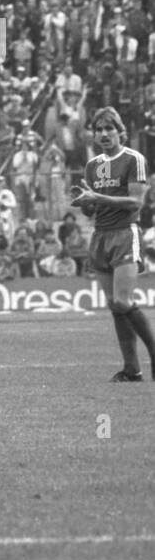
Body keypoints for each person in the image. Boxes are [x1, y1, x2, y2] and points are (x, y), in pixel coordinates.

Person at [70, 107, 155, 382]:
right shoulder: (92, 165)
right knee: (113, 304)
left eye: (109, 129)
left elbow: (136, 202)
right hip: (100, 235)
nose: (104, 134)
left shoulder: (134, 159)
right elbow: (92, 209)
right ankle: (132, 369)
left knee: (123, 300)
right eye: (99, 130)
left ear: (120, 132)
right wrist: (86, 203)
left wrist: (99, 197)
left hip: (124, 233)